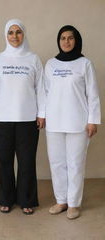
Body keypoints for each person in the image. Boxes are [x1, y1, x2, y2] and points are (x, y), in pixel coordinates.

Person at [45, 25, 101, 219]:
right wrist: (42, 115)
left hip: (78, 122)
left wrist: (93, 120)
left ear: (76, 40)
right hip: (54, 122)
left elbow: (93, 94)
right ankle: (61, 200)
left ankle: (74, 203)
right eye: (63, 38)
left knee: (75, 163)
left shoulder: (84, 63)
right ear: (58, 41)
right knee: (57, 163)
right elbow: (45, 93)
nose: (66, 42)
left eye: (70, 38)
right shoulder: (51, 64)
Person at [0, 19, 45, 215]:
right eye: (11, 33)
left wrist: (42, 114)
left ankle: (26, 200)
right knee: (4, 161)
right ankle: (6, 199)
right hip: (3, 119)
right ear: (6, 35)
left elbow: (41, 88)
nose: (14, 36)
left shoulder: (33, 59)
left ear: (24, 34)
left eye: (18, 32)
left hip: (28, 120)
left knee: (26, 161)